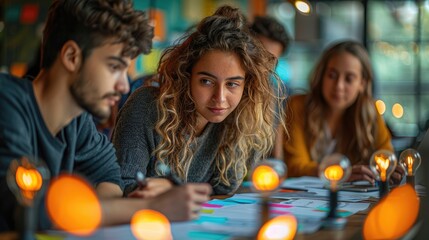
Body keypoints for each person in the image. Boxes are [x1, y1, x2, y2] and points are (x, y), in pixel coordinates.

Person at [0, 0, 211, 232]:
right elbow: (26, 209)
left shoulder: (77, 122)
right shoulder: (6, 102)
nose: (123, 86)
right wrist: (152, 206)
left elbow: (110, 177)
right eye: (114, 67)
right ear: (71, 56)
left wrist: (93, 210)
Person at [112, 5, 286, 197]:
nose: (219, 98)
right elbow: (121, 187)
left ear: (247, 85)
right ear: (186, 76)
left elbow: (223, 193)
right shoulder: (146, 106)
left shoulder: (243, 118)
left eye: (232, 84)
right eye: (206, 81)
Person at [283, 40, 404, 184]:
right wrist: (341, 173)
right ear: (321, 76)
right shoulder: (297, 106)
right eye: (332, 75)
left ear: (362, 84)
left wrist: (390, 169)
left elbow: (385, 155)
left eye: (349, 79)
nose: (339, 86)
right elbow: (295, 167)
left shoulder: (370, 111)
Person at [250, 15, 291, 160]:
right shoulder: (227, 92)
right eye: (258, 54)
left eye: (271, 59)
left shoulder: (275, 92)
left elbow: (276, 152)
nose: (263, 64)